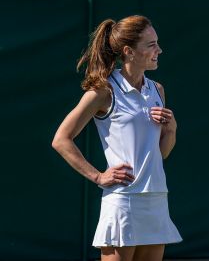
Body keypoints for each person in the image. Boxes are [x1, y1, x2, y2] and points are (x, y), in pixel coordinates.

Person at [52, 15, 181, 261]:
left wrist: (171, 129)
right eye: (151, 44)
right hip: (123, 201)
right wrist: (98, 176)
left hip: (156, 198)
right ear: (128, 51)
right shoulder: (103, 92)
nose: (159, 50)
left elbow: (161, 153)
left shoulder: (157, 90)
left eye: (158, 43)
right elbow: (61, 139)